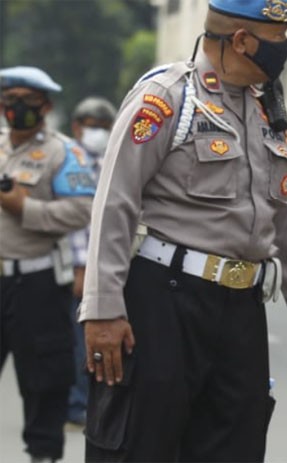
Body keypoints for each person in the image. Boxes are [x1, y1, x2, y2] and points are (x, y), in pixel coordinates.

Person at [77, 1, 287, 461]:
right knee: (142, 445)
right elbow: (115, 201)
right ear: (243, 41)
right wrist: (103, 308)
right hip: (164, 302)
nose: (284, 51)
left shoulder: (269, 111)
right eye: (277, 41)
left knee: (235, 446)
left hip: (241, 310)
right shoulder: (168, 97)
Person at [0, 66, 96, 463]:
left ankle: (43, 455)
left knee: (46, 381)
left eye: (27, 100)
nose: (17, 107)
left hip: (37, 282)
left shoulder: (64, 152)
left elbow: (81, 210)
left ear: (46, 106)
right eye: (10, 100)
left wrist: (26, 208)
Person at [64, 96, 118, 429]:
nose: (96, 133)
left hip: (104, 270)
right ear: (76, 127)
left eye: (102, 128)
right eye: (91, 127)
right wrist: (81, 267)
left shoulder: (115, 160)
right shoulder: (69, 161)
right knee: (72, 341)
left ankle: (88, 405)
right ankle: (74, 405)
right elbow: (76, 219)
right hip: (71, 267)